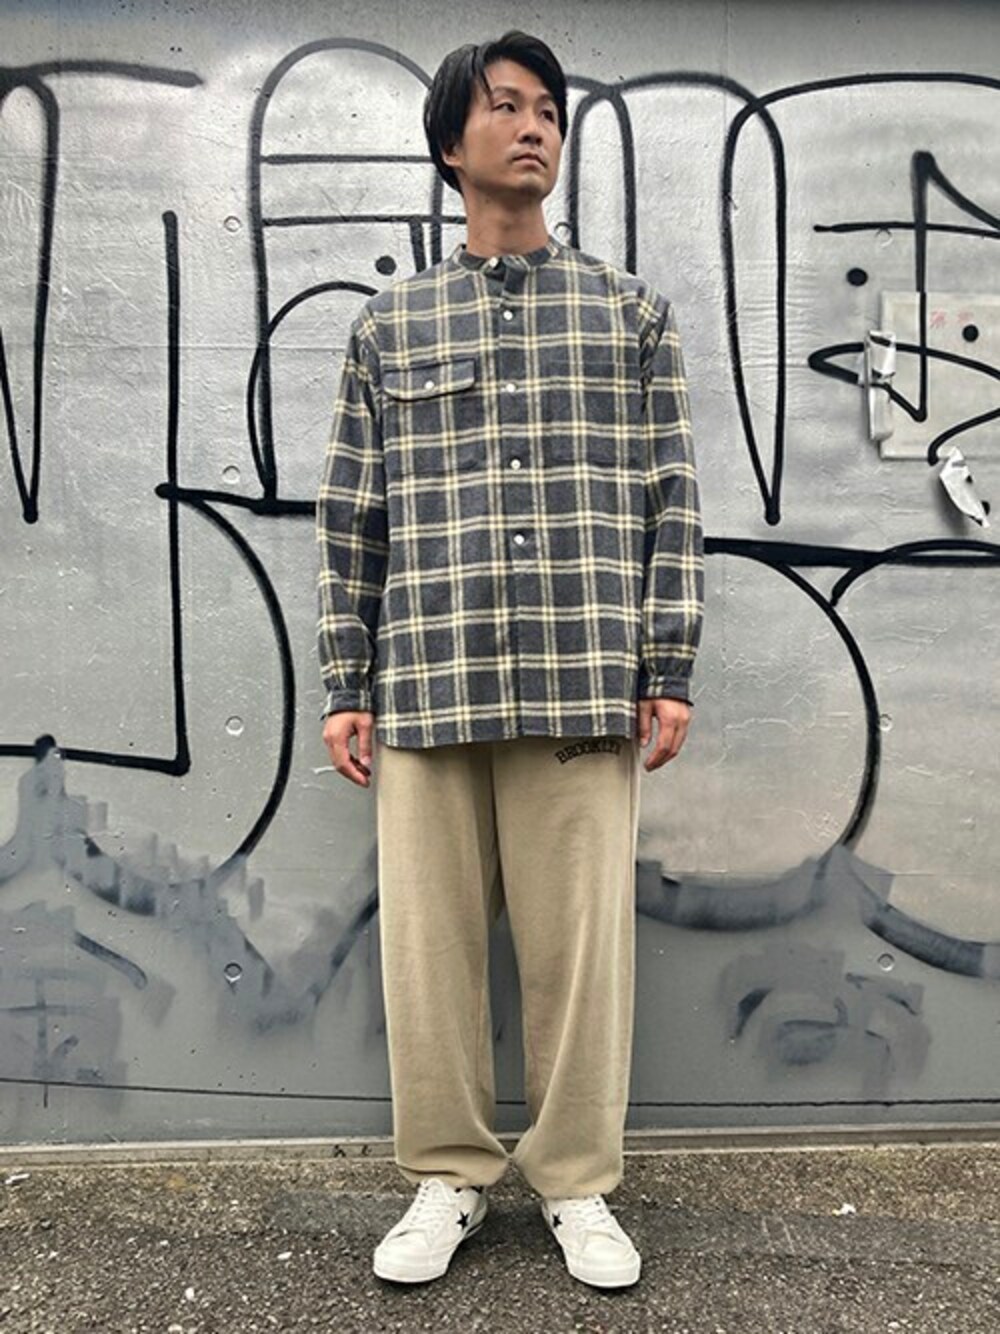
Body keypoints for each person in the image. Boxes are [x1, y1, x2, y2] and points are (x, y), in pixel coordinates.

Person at [315, 30, 704, 1290]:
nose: (532, 126)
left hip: (584, 676)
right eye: (504, 106)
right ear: (451, 143)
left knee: (581, 954)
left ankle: (576, 1181)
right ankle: (448, 1172)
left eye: (547, 109)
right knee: (427, 953)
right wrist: (345, 682)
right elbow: (353, 513)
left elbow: (671, 497)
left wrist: (668, 662)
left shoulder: (628, 314)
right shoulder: (390, 325)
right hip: (427, 677)